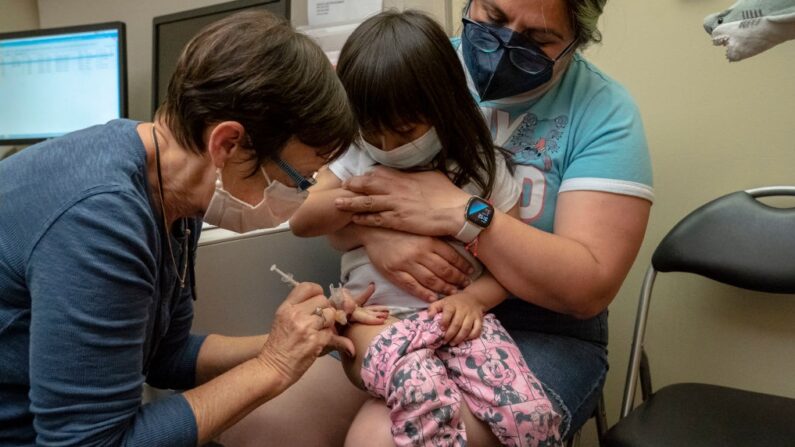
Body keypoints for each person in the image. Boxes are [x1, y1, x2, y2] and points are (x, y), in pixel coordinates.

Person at [221, 0, 653, 446]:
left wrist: (459, 213)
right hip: (391, 309)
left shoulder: (603, 112)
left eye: (538, 39)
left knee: (381, 438)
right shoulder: (408, 64)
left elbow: (587, 288)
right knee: (261, 423)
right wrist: (382, 230)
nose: (505, 45)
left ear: (577, 40)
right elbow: (318, 207)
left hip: (537, 325)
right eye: (494, 19)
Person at [0, 11, 385, 447]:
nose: (300, 196)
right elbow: (88, 444)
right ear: (227, 143)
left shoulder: (173, 189)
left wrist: (299, 341)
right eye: (298, 180)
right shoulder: (101, 219)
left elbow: (166, 357)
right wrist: (273, 366)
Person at [289, 10, 562, 447]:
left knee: (528, 414)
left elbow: (511, 268)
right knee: (422, 392)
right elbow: (302, 220)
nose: (387, 146)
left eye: (404, 131)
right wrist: (365, 202)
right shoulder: (355, 158)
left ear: (443, 107)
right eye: (372, 131)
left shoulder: (479, 166)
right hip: (375, 319)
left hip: (459, 323)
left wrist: (474, 299)